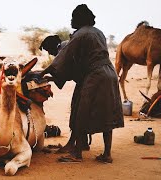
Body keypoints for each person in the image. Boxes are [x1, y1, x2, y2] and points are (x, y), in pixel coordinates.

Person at [40, 4, 124, 163]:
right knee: (107, 112)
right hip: (109, 73)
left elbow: (63, 58)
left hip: (95, 75)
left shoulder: (80, 34)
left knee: (81, 112)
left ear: (79, 19)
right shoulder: (98, 32)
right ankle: (107, 154)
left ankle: (76, 154)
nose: (71, 21)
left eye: (73, 18)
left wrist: (43, 73)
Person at [40, 34, 91, 153]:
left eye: (48, 51)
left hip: (86, 81)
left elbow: (61, 71)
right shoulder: (65, 47)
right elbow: (66, 73)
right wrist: (50, 78)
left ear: (52, 47)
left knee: (77, 113)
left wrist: (43, 74)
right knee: (78, 111)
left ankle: (73, 144)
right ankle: (82, 142)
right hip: (84, 81)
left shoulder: (63, 48)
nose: (50, 54)